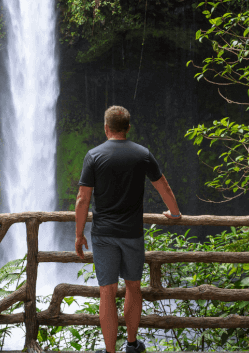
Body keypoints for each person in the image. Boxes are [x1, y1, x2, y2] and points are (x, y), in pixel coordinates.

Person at [74, 106, 182, 353]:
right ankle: (132, 345)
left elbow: (82, 199)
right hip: (133, 233)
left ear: (106, 127)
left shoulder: (93, 155)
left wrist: (79, 234)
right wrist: (175, 213)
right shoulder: (142, 154)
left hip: (103, 236)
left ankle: (110, 351)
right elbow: (162, 185)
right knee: (134, 286)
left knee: (107, 292)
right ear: (128, 128)